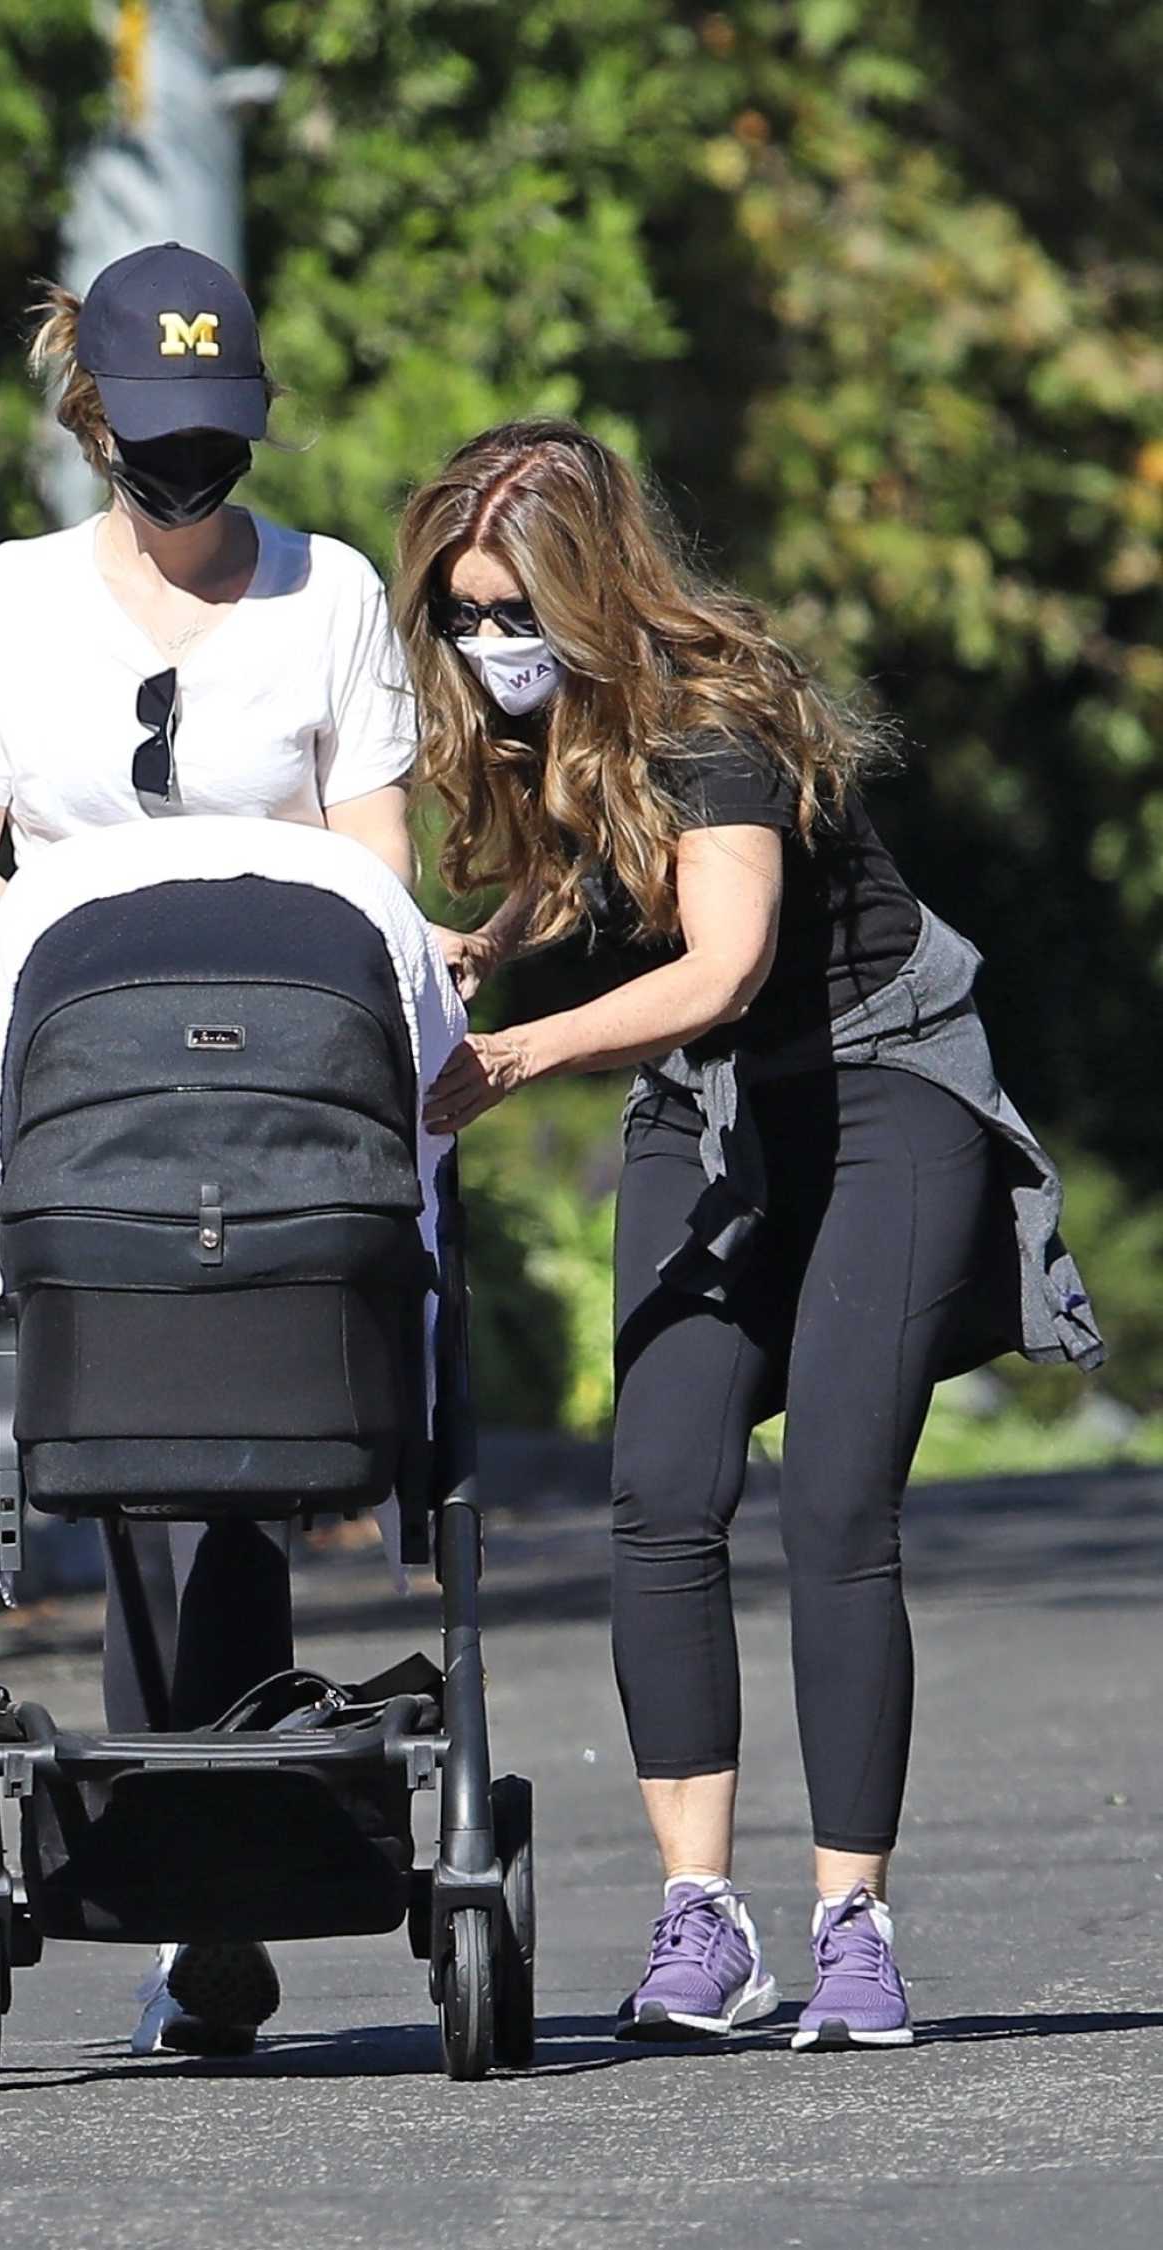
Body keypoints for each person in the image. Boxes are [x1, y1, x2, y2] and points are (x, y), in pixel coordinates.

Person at [396, 419, 1102, 2051]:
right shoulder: (561, 718)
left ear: (589, 592)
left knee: (840, 1495)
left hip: (880, 1087)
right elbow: (591, 859)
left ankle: (853, 1925)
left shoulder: (714, 714)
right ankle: (697, 1922)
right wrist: (489, 943)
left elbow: (717, 958)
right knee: (662, 1485)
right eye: (463, 615)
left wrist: (511, 1057)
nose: (490, 645)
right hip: (708, 1105)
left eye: (516, 612)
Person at [0, 242, 417, 2057]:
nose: (195, 479)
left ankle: (210, 1859)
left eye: (220, 440)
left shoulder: (331, 593)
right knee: (137, 1440)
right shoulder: (12, 604)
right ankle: (204, 1862)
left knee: (242, 1435)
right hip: (83, 1073)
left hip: (278, 1087)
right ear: (95, 420)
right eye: (158, 438)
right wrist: (82, 913)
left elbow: (378, 873)